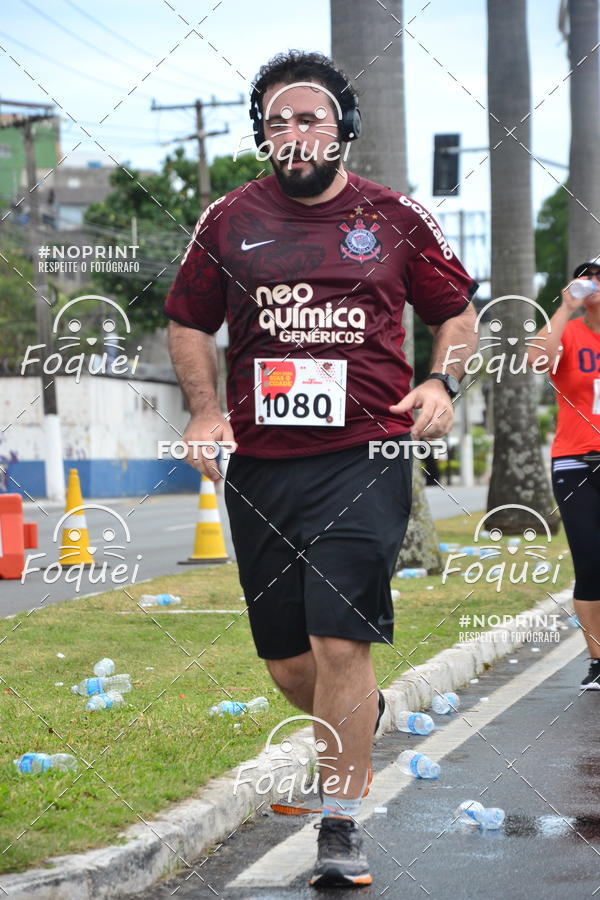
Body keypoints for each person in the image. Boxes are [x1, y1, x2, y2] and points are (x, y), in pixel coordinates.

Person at [165, 50, 478, 888]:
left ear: (343, 130)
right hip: (262, 466)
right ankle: (358, 715)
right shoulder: (228, 218)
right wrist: (203, 408)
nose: (294, 132)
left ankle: (340, 823)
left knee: (340, 636)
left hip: (365, 452)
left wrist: (441, 380)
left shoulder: (397, 216)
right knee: (287, 662)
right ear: (262, 134)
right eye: (277, 120)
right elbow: (189, 322)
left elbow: (455, 311)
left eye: (310, 118)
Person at [528, 261, 600, 690]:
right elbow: (536, 360)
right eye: (588, 276)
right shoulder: (570, 332)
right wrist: (564, 308)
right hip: (576, 462)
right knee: (591, 563)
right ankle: (598, 660)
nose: (594, 283)